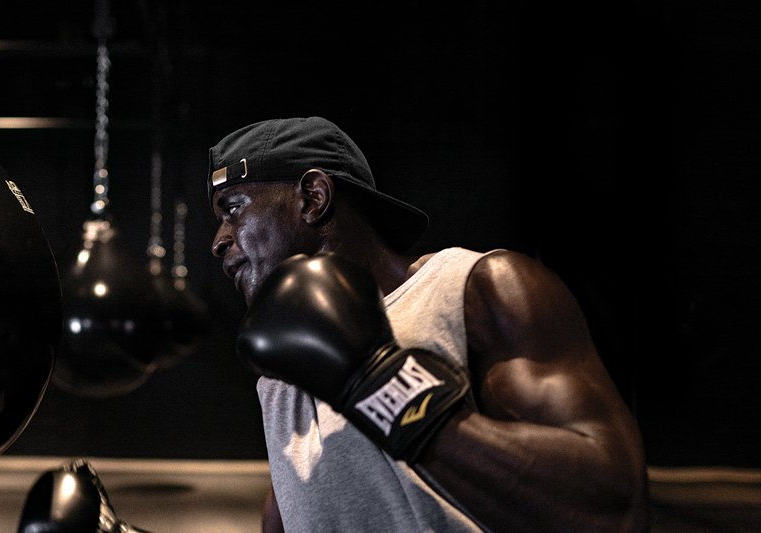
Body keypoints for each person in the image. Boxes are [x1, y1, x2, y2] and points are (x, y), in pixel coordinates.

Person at [207, 116, 649, 533]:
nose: (218, 242)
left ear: (313, 197)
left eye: (233, 209)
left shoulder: (477, 290)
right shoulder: (282, 362)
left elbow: (614, 508)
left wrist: (379, 382)